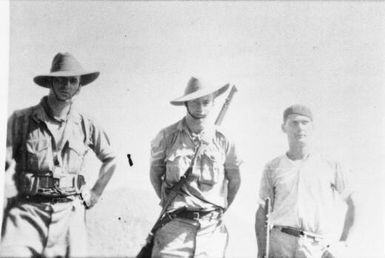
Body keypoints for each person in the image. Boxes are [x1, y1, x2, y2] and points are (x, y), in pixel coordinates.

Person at [0, 52, 117, 257]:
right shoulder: (22, 120)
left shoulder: (86, 123)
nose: (67, 86)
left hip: (70, 214)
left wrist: (96, 193)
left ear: (80, 86)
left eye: (73, 81)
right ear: (50, 82)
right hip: (28, 211)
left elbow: (111, 159)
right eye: (61, 80)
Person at [149, 77, 242, 257]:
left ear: (214, 102)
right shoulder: (167, 136)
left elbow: (235, 180)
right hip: (174, 229)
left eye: (206, 102)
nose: (200, 109)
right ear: (186, 104)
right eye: (195, 103)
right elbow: (155, 174)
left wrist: (218, 209)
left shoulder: (224, 139)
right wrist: (171, 202)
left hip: (212, 231)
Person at [255, 104, 356, 258]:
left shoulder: (330, 165)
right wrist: (262, 251)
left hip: (316, 247)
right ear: (284, 127)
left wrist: (342, 245)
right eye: (294, 123)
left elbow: (354, 204)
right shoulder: (272, 167)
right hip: (280, 244)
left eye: (304, 122)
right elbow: (262, 211)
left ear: (312, 127)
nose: (300, 128)